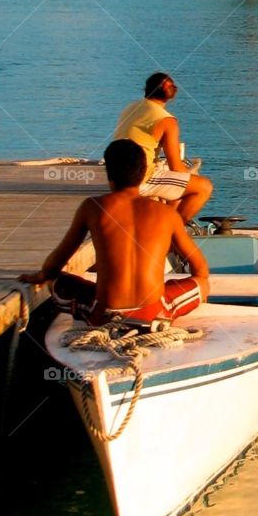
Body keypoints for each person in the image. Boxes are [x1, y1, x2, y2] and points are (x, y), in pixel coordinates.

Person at [19, 139, 210, 327]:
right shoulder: (167, 214)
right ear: (144, 172)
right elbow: (200, 270)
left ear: (109, 174)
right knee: (202, 283)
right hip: (153, 314)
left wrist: (43, 275)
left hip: (103, 314)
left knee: (56, 281)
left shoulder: (92, 207)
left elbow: (54, 265)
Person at [113, 72, 212, 225]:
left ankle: (164, 223)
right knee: (203, 187)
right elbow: (176, 168)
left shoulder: (132, 107)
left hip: (116, 177)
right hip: (140, 179)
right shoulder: (166, 120)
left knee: (177, 184)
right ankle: (172, 232)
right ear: (172, 93)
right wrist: (191, 174)